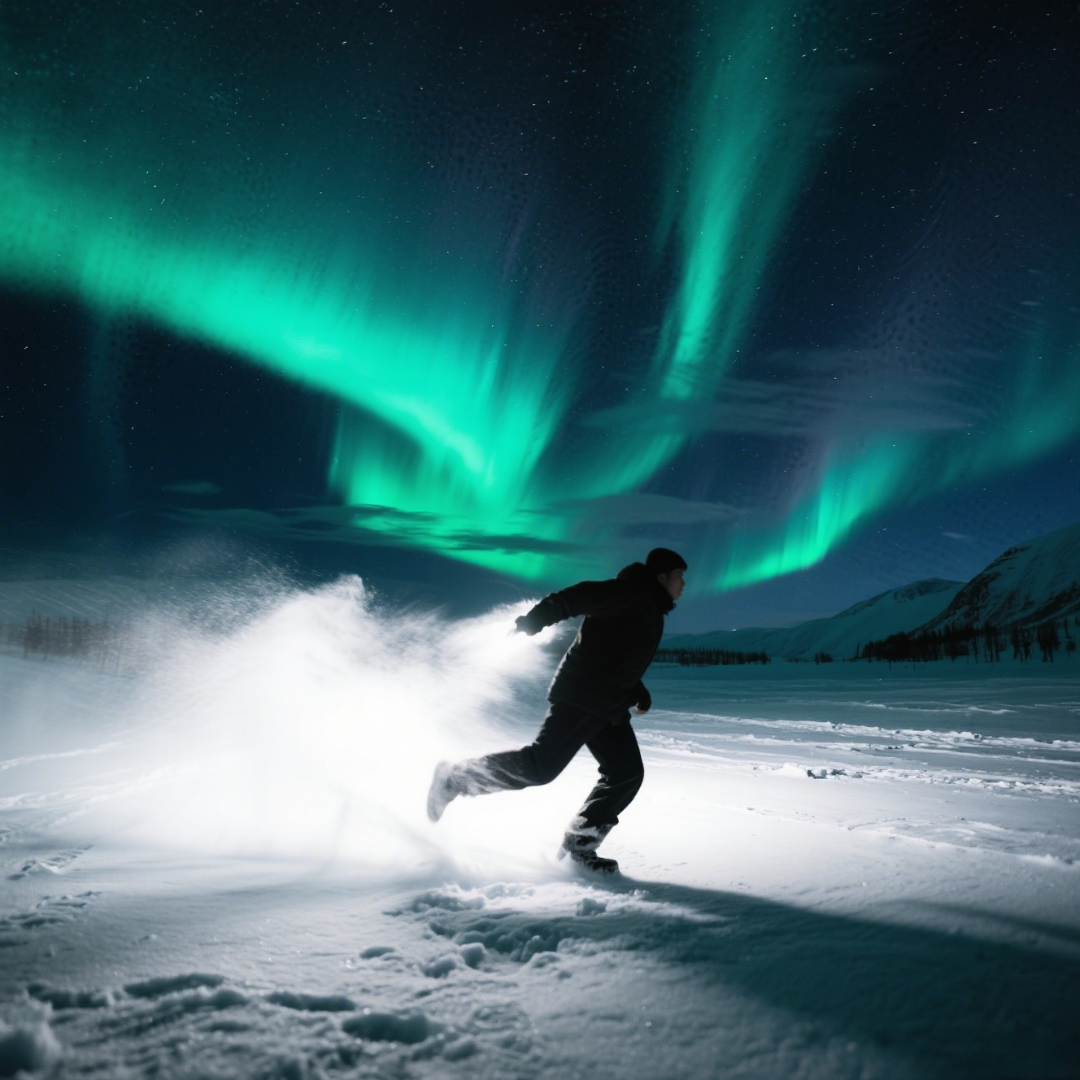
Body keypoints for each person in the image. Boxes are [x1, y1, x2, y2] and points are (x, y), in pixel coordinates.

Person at [426, 547, 687, 873]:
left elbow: (615, 655)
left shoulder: (647, 606)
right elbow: (577, 596)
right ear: (662, 576)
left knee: (625, 773)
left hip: (607, 703)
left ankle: (580, 844)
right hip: (583, 696)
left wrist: (638, 691)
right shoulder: (631, 593)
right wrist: (533, 620)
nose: (683, 584)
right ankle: (456, 778)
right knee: (540, 767)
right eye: (679, 576)